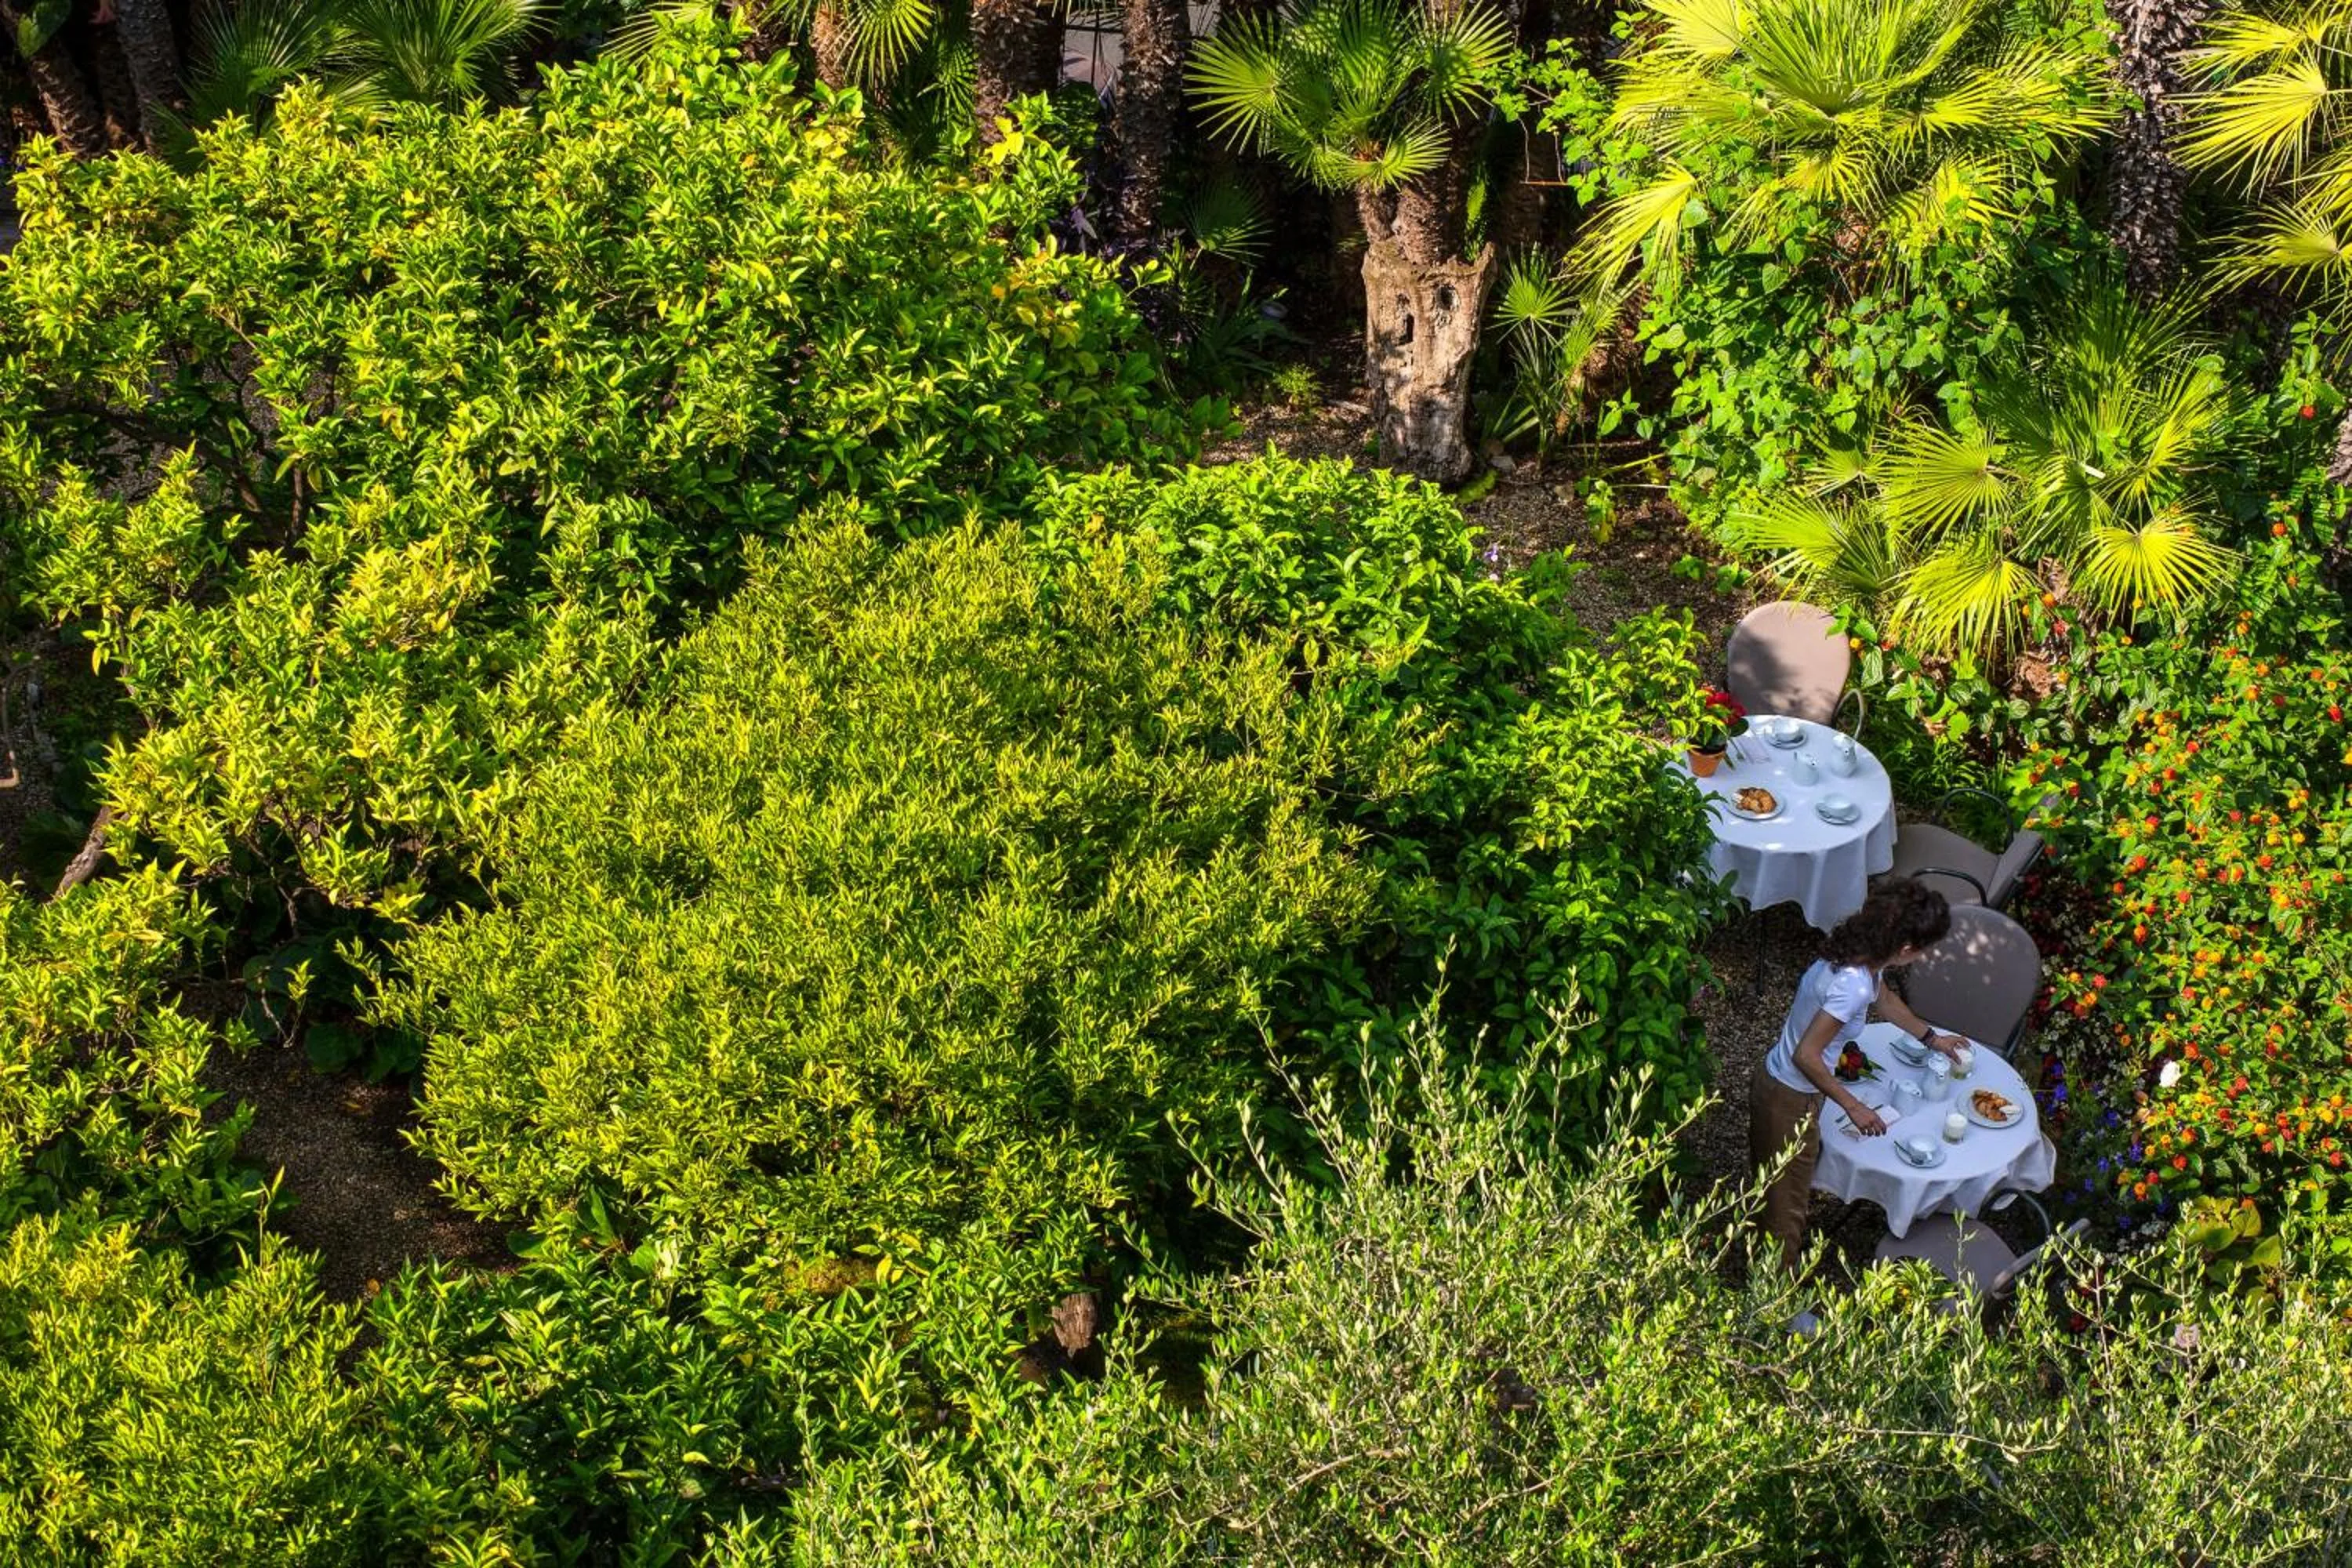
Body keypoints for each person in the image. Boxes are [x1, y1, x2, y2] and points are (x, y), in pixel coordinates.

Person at [1750, 877, 1969, 1272]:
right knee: (1788, 1213)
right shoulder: (1851, 984)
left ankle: (1758, 1265)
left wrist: (1933, 1039)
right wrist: (1853, 1106)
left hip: (1786, 1090)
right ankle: (1773, 1310)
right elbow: (1807, 1056)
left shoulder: (1863, 955)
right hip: (1788, 1098)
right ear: (1905, 949)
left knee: (1777, 1194)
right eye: (1922, 950)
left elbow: (1882, 999)